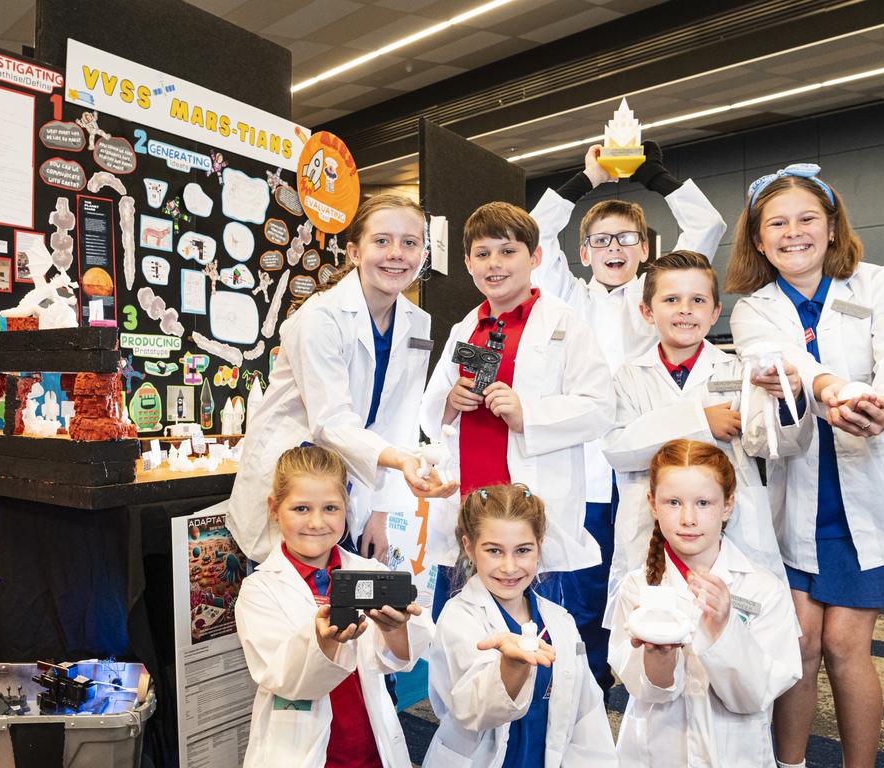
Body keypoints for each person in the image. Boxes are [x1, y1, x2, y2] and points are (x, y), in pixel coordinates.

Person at [526, 141, 726, 695]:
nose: (614, 248)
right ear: (584, 252)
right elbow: (536, 233)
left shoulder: (655, 296)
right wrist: (586, 179)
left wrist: (654, 175)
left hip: (652, 466)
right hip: (588, 472)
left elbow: (706, 228)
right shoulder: (565, 297)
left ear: (645, 249)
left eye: (627, 238)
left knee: (660, 582)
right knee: (586, 586)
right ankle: (588, 689)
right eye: (600, 240)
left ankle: (662, 684)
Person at [726, 163, 884, 768]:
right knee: (798, 643)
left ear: (832, 229)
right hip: (797, 494)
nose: (792, 233)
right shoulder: (754, 309)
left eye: (807, 220)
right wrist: (831, 387)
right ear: (757, 238)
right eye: (776, 223)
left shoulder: (880, 286)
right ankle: (790, 764)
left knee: (848, 644)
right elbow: (778, 358)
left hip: (869, 493)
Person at [227, 194, 455, 564]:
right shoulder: (320, 318)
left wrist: (381, 513)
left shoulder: (416, 322)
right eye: (381, 241)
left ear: (423, 256)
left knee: (346, 611)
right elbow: (330, 421)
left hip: (350, 492)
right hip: (295, 483)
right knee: (290, 607)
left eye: (410, 243)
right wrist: (400, 461)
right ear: (353, 252)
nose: (396, 253)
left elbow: (398, 419)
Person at [419, 201, 614, 618]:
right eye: (483, 254)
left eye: (508, 251)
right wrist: (450, 402)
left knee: (537, 635)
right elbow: (429, 413)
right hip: (468, 513)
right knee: (456, 635)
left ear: (535, 257)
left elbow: (600, 408)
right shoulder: (465, 326)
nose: (495, 264)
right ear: (468, 262)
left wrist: (529, 414)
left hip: (528, 514)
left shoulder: (566, 324)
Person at [602, 250, 802, 622]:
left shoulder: (740, 371)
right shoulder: (628, 378)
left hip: (732, 526)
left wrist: (785, 395)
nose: (685, 310)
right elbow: (617, 448)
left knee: (733, 631)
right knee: (657, 640)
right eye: (671, 299)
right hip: (651, 530)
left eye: (698, 300)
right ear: (647, 312)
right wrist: (701, 421)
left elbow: (767, 441)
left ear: (714, 313)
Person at [235, 445, 433, 767]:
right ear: (275, 509)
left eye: (330, 507)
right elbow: (282, 676)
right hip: (303, 754)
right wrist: (322, 641)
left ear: (346, 508)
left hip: (369, 748)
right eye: (301, 508)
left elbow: (402, 657)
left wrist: (394, 628)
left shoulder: (370, 573)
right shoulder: (260, 590)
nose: (316, 522)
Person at [608, 439, 801, 767]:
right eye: (673, 502)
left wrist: (725, 629)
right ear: (653, 504)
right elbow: (649, 692)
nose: (687, 518)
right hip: (656, 752)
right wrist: (660, 654)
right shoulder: (636, 587)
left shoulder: (762, 589)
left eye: (703, 503)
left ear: (727, 505)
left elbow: (753, 697)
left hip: (736, 754)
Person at [424, 484, 617, 767]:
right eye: (494, 551)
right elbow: (474, 711)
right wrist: (510, 668)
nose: (510, 566)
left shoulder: (559, 621)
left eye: (523, 550)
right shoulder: (458, 618)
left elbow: (585, 713)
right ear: (469, 546)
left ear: (539, 545)